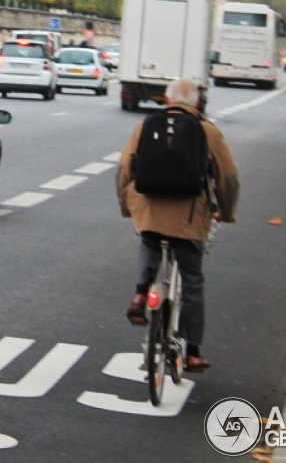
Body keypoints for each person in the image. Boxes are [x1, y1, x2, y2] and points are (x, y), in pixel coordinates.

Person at [116, 78, 239, 372]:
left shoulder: (145, 126)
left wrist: (128, 208)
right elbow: (228, 179)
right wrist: (226, 211)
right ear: (196, 103)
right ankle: (194, 351)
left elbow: (123, 170)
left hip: (149, 210)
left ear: (166, 100)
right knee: (192, 280)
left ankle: (140, 293)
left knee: (150, 240)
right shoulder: (207, 131)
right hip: (188, 218)